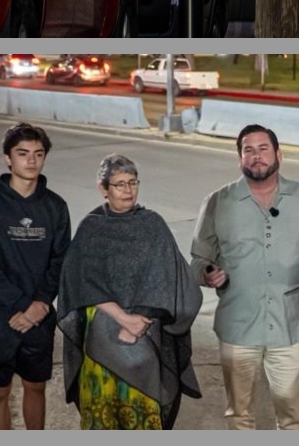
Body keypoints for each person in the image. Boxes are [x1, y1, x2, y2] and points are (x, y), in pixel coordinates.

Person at [190, 123, 299, 430]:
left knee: (293, 418)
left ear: (279, 155)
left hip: (290, 328)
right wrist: (207, 273)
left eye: (263, 149)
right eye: (249, 150)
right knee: (239, 415)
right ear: (240, 158)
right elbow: (199, 259)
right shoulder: (218, 201)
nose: (256, 156)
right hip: (238, 329)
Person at [58, 154, 203, 429]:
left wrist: (139, 321)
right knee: (102, 414)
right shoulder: (91, 227)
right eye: (119, 184)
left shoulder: (153, 224)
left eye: (133, 182)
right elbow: (79, 281)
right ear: (103, 189)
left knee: (142, 413)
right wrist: (123, 319)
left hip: (144, 336)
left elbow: (169, 279)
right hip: (101, 338)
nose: (128, 190)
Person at [0, 123, 72, 430]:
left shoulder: (55, 206)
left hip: (39, 314)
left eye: (38, 154)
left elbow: (60, 260)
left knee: (35, 386)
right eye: (22, 153)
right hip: (0, 315)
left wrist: (41, 303)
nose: (31, 160)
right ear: (7, 158)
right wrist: (20, 306)